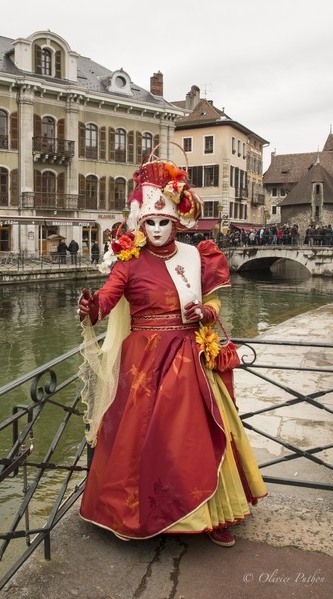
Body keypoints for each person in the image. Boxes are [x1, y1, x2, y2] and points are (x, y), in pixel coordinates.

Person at [78, 149, 267, 547]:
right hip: (143, 364)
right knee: (141, 441)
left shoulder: (197, 257)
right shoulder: (127, 262)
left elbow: (214, 303)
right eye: (151, 223)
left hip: (191, 356)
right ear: (141, 224)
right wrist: (91, 307)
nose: (159, 229)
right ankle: (139, 512)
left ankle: (213, 516)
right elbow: (108, 300)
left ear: (178, 220)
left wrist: (206, 313)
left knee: (196, 436)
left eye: (165, 221)